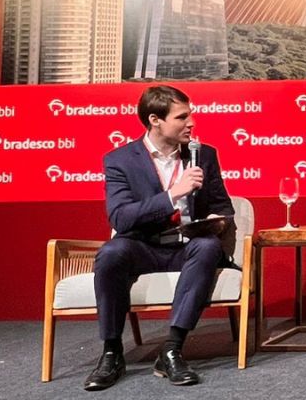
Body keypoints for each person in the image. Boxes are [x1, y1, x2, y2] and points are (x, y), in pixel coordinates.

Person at [83, 85, 235, 391]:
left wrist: (215, 222)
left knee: (207, 247)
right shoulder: (120, 160)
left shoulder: (204, 155)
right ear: (155, 120)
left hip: (187, 246)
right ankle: (112, 352)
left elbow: (223, 208)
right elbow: (121, 218)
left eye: (190, 115)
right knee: (111, 252)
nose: (191, 123)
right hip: (143, 247)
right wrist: (172, 195)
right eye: (182, 117)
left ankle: (172, 349)